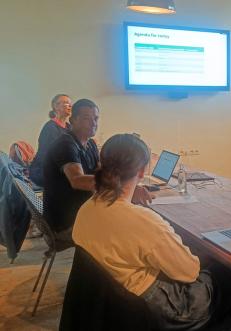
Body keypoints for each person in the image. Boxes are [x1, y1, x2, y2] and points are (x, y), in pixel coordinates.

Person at [73, 134, 231, 330]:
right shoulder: (143, 221)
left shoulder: (86, 209)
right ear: (141, 172)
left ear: (101, 163)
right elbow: (189, 272)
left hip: (112, 307)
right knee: (229, 272)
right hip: (151, 309)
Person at [42, 99, 151, 244]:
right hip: (65, 224)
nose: (93, 123)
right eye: (87, 118)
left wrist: (130, 184)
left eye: (96, 118)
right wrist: (122, 186)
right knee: (135, 225)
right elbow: (77, 180)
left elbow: (103, 172)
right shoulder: (65, 144)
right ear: (73, 120)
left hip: (83, 212)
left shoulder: (90, 143)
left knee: (132, 217)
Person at [29, 94, 72, 186]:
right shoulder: (50, 128)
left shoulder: (70, 127)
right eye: (66, 103)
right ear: (56, 106)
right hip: (44, 171)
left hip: (62, 168)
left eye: (70, 104)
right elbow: (51, 155)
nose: (70, 106)